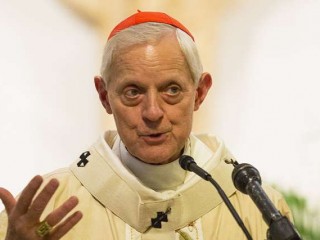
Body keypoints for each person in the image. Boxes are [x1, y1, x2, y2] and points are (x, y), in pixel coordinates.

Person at [0, 11, 293, 240]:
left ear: (200, 92)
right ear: (104, 97)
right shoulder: (46, 212)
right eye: (133, 92)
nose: (152, 112)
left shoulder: (255, 205)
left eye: (172, 90)